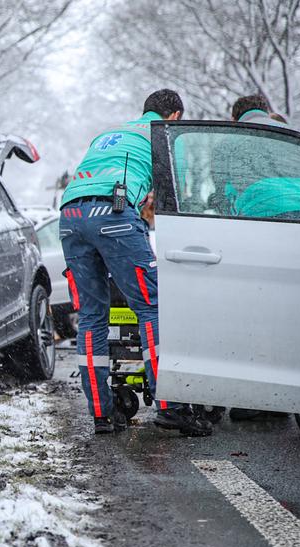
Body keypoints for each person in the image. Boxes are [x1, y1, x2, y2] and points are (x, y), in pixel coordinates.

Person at [59, 89, 212, 436]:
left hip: (69, 215)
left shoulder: (107, 134)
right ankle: (170, 406)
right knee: (151, 307)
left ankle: (101, 412)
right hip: (112, 213)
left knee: (92, 316)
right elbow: (178, 191)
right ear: (174, 116)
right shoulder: (163, 135)